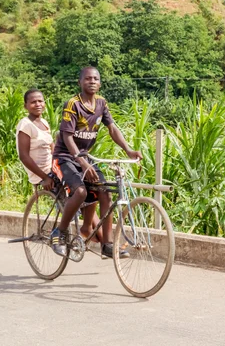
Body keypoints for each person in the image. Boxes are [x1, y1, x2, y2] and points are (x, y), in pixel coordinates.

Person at [51, 66, 142, 258]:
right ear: (80, 82)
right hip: (66, 157)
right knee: (81, 191)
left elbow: (112, 128)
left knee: (104, 193)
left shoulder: (101, 103)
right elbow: (66, 137)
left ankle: (107, 244)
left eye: (95, 79)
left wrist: (128, 149)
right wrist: (81, 161)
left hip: (85, 157)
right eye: (87, 79)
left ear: (100, 83)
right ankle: (59, 232)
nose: (92, 81)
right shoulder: (73, 104)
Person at [16, 88, 103, 244]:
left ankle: (103, 240)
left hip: (55, 167)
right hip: (43, 173)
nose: (38, 104)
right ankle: (64, 236)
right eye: (33, 102)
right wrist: (44, 177)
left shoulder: (44, 123)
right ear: (26, 106)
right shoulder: (25, 125)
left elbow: (53, 147)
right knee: (80, 193)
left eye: (40, 101)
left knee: (90, 190)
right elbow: (24, 156)